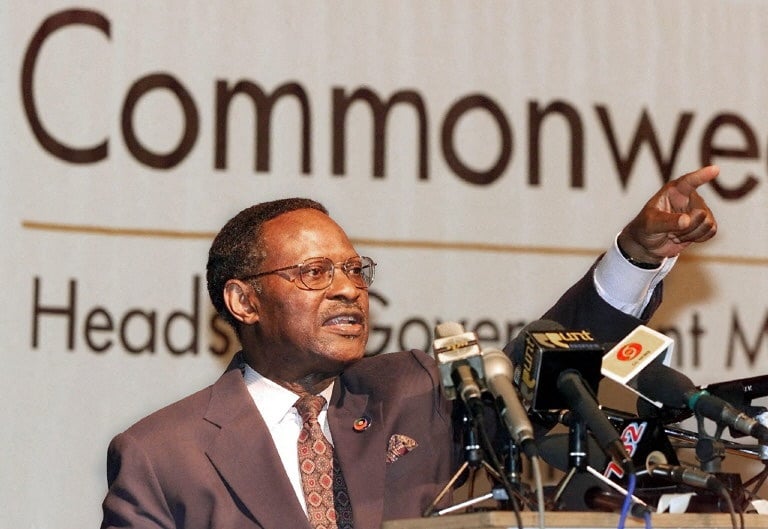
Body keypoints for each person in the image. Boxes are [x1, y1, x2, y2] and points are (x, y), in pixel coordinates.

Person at [100, 166, 719, 529]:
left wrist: (636, 256)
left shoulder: (417, 390)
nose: (349, 290)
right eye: (315, 274)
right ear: (243, 301)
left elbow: (545, 357)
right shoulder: (161, 456)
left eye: (354, 270)